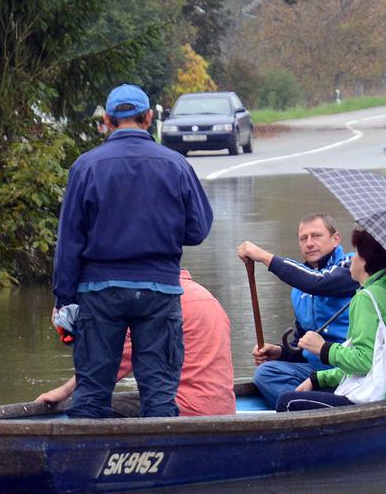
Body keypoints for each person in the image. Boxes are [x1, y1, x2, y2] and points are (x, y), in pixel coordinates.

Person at [53, 83, 214, 418]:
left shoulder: (85, 166)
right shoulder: (176, 164)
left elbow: (70, 242)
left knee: (92, 394)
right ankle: (160, 462)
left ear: (108, 121)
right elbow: (197, 230)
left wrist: (63, 301)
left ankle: (86, 463)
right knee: (158, 394)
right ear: (149, 118)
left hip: (99, 291)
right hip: (159, 290)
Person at [38, 269, 235, 417]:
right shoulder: (208, 298)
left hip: (185, 409)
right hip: (223, 407)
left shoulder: (160, 303)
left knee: (91, 405)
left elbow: (113, 361)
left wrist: (63, 392)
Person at [275, 227, 386, 411]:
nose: (352, 259)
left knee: (287, 402)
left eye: (356, 253)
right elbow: (370, 360)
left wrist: (323, 348)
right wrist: (318, 379)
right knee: (313, 391)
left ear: (365, 262)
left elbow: (364, 361)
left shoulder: (366, 298)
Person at [236, 214, 358, 408]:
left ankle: (311, 404)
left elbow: (318, 282)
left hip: (349, 368)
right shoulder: (298, 291)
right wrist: (279, 352)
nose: (309, 243)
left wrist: (265, 257)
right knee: (266, 372)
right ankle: (315, 404)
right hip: (313, 369)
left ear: (336, 239)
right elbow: (301, 345)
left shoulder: (352, 266)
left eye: (316, 236)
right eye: (304, 238)